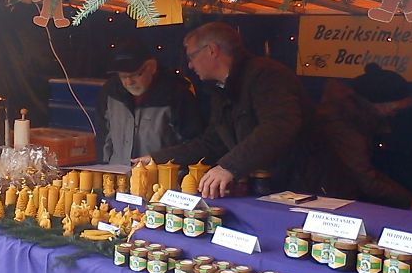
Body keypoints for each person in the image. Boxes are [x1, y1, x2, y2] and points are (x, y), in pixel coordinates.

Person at [144, 21, 347, 199]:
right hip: (271, 189)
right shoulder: (221, 91)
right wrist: (157, 159)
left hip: (307, 188)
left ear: (212, 50)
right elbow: (211, 143)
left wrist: (229, 166)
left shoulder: (267, 75)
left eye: (192, 56)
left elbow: (279, 126)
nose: (189, 64)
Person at [318, 63, 412, 209]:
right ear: (378, 104)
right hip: (328, 197)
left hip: (331, 192)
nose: (394, 115)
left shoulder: (352, 117)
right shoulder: (346, 127)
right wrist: (407, 201)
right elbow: (365, 178)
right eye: (394, 109)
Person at [96, 38, 203, 166]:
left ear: (151, 67)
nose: (129, 82)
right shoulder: (110, 92)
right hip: (117, 175)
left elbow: (192, 146)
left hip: (161, 176)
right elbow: (103, 138)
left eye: (136, 74)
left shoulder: (176, 95)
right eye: (123, 76)